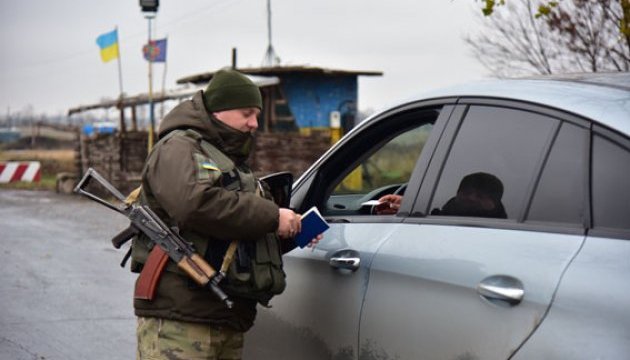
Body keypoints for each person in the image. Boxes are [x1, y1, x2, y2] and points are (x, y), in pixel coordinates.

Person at [131, 68, 320, 359]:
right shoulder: (178, 147)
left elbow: (235, 234)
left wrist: (291, 230)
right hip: (181, 320)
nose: (254, 123)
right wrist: (272, 216)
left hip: (226, 318)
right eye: (246, 113)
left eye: (257, 114)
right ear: (219, 109)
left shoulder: (229, 160)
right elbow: (195, 204)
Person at [375, 172, 507, 219]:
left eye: (480, 196)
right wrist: (409, 206)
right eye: (467, 193)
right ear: (457, 194)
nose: (472, 198)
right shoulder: (445, 215)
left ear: (495, 203)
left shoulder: (500, 226)